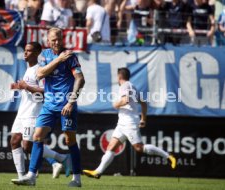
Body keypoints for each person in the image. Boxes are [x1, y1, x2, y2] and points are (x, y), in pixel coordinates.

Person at [12, 28, 85, 187]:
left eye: (58, 39)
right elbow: (40, 74)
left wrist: (71, 102)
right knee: (37, 137)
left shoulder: (70, 56)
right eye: (53, 40)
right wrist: (58, 60)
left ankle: (77, 179)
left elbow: (80, 79)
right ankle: (31, 176)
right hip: (49, 105)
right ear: (48, 40)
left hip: (66, 105)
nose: (56, 42)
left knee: (69, 140)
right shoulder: (45, 55)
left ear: (62, 38)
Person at [83, 68, 176, 179]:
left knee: (139, 148)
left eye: (117, 76)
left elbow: (125, 100)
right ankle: (97, 172)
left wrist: (116, 104)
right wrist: (143, 119)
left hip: (129, 122)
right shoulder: (133, 87)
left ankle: (168, 156)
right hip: (122, 122)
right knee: (111, 147)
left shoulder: (125, 86)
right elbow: (144, 104)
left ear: (119, 76)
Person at [10, 42, 71, 182]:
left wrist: (27, 87)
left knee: (27, 145)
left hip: (33, 111)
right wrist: (19, 86)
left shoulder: (40, 70)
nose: (25, 53)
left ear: (37, 53)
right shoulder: (28, 68)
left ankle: (61, 158)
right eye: (25, 50)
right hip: (22, 111)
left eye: (29, 51)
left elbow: (46, 92)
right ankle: (22, 177)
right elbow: (28, 88)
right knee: (14, 141)